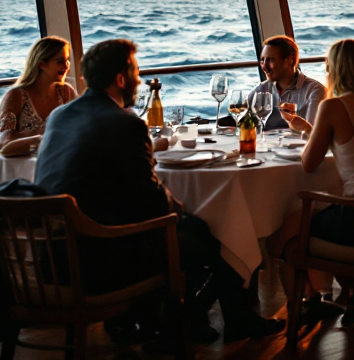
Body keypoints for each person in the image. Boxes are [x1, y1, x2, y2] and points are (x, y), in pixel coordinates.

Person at [34, 39, 284, 344]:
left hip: (54, 257)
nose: (139, 80)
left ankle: (187, 319)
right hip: (102, 263)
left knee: (195, 228)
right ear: (121, 79)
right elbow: (152, 205)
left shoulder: (60, 116)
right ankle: (192, 319)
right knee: (212, 235)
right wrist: (177, 205)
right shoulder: (125, 124)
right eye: (136, 73)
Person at [275, 39, 354, 326]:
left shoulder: (333, 106)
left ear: (335, 69)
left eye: (327, 67)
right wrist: (309, 129)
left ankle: (309, 301)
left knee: (286, 233)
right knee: (328, 214)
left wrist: (308, 133)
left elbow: (309, 163)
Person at [0, 36, 76, 154]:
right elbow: (2, 143)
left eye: (67, 60)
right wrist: (39, 138)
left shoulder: (66, 92)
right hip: (22, 163)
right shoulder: (16, 96)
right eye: (60, 61)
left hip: (57, 157)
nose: (66, 66)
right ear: (42, 64)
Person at [247, 35, 325, 130]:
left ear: (289, 60)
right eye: (262, 60)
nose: (264, 67)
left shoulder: (314, 91)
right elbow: (242, 123)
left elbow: (314, 133)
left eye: (270, 60)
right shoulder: (260, 90)